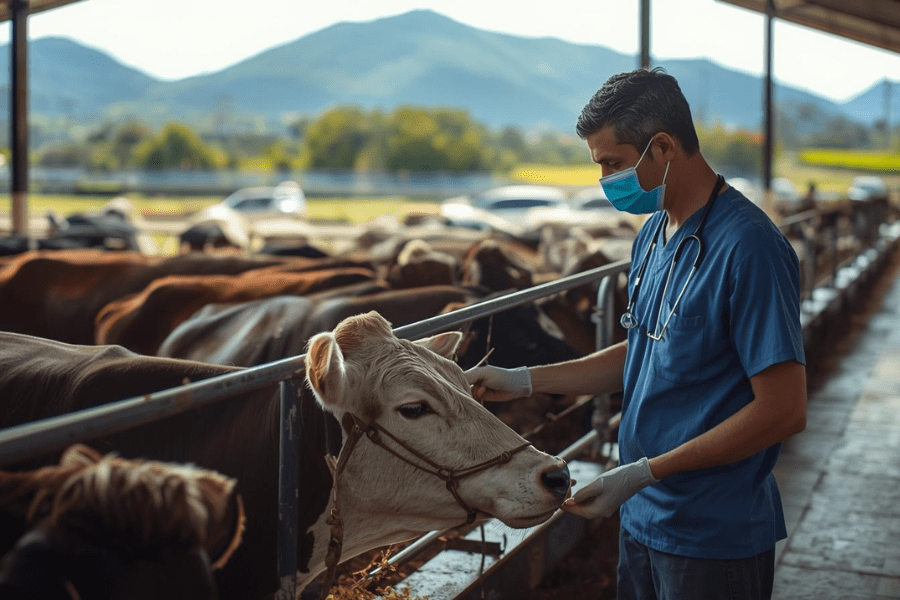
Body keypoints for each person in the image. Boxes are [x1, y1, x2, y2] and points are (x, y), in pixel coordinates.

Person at [466, 67, 807, 600]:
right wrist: (524, 380)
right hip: (643, 517)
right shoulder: (652, 234)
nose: (605, 182)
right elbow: (645, 351)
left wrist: (645, 472)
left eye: (614, 164)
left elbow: (784, 409)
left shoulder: (751, 249)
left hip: (711, 532)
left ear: (664, 147)